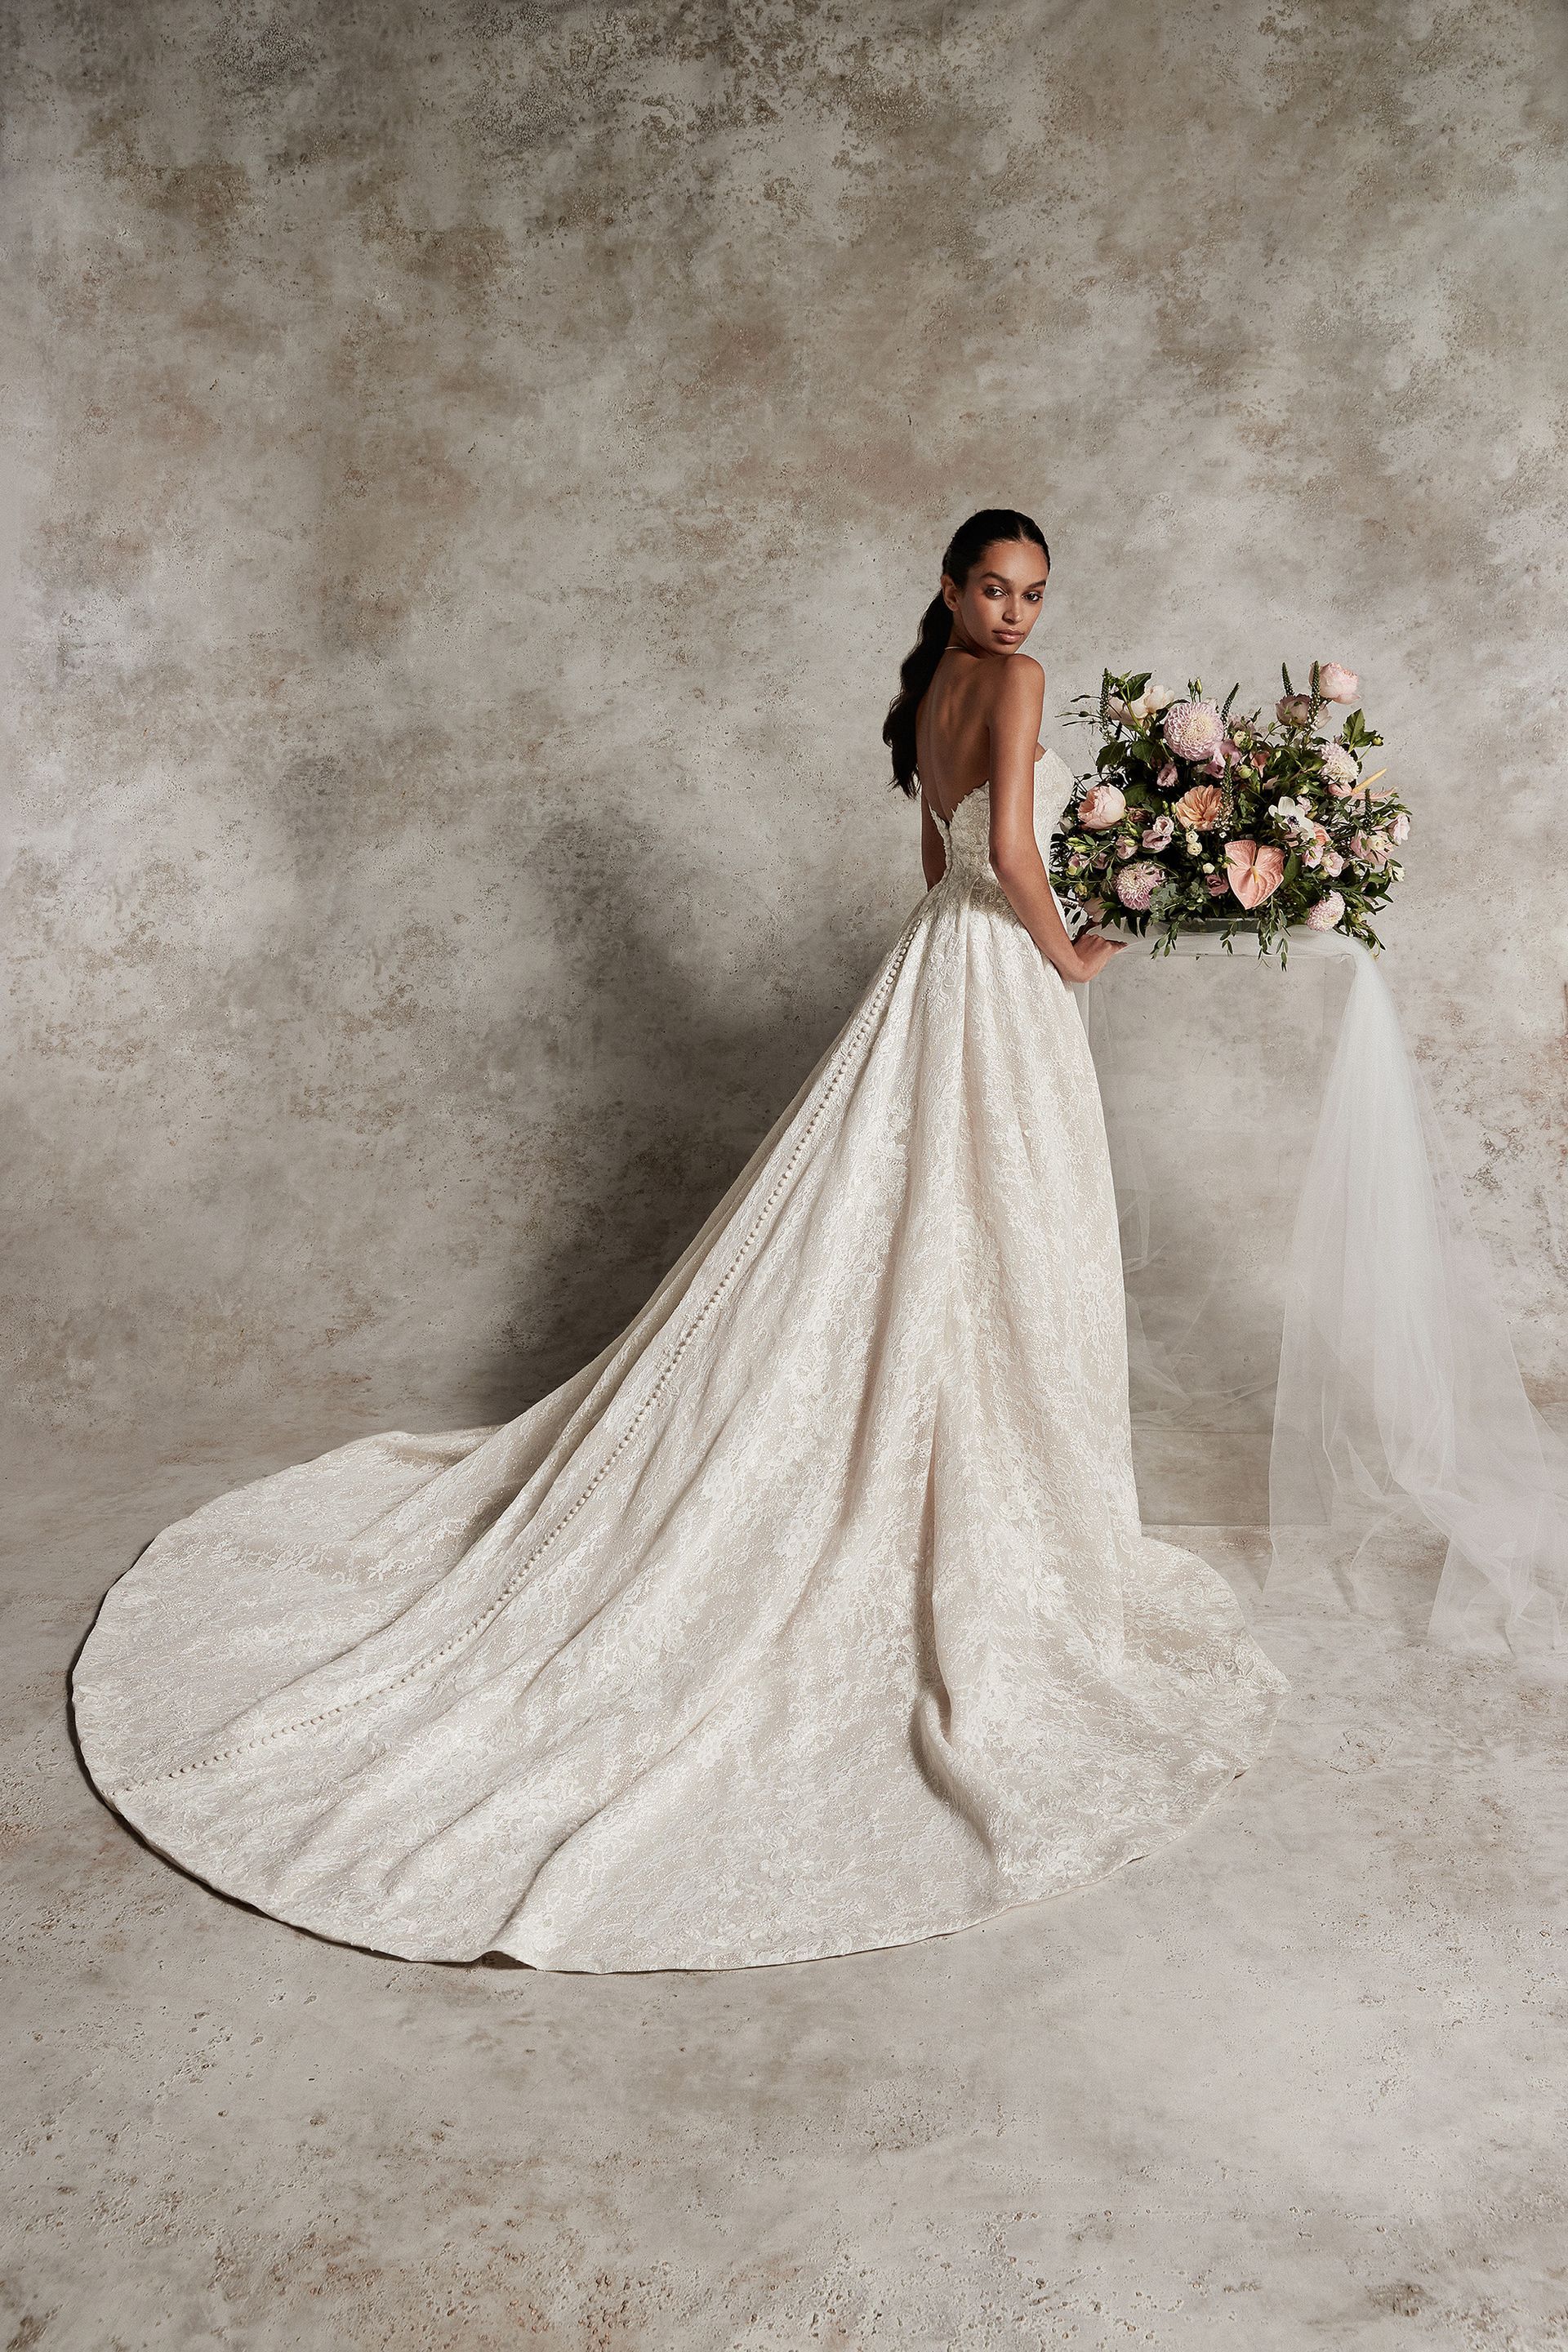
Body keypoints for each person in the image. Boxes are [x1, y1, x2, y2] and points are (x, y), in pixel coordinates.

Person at [71, 508, 1288, 1974]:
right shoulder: (1018, 690)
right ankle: (983, 1498)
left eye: (1034, 595)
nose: (1018, 615)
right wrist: (1077, 953)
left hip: (928, 973)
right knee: (995, 1232)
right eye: (995, 588)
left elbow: (936, 859)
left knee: (910, 1226)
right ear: (951, 587)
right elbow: (1014, 855)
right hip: (1001, 977)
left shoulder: (929, 691)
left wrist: (991, 925)